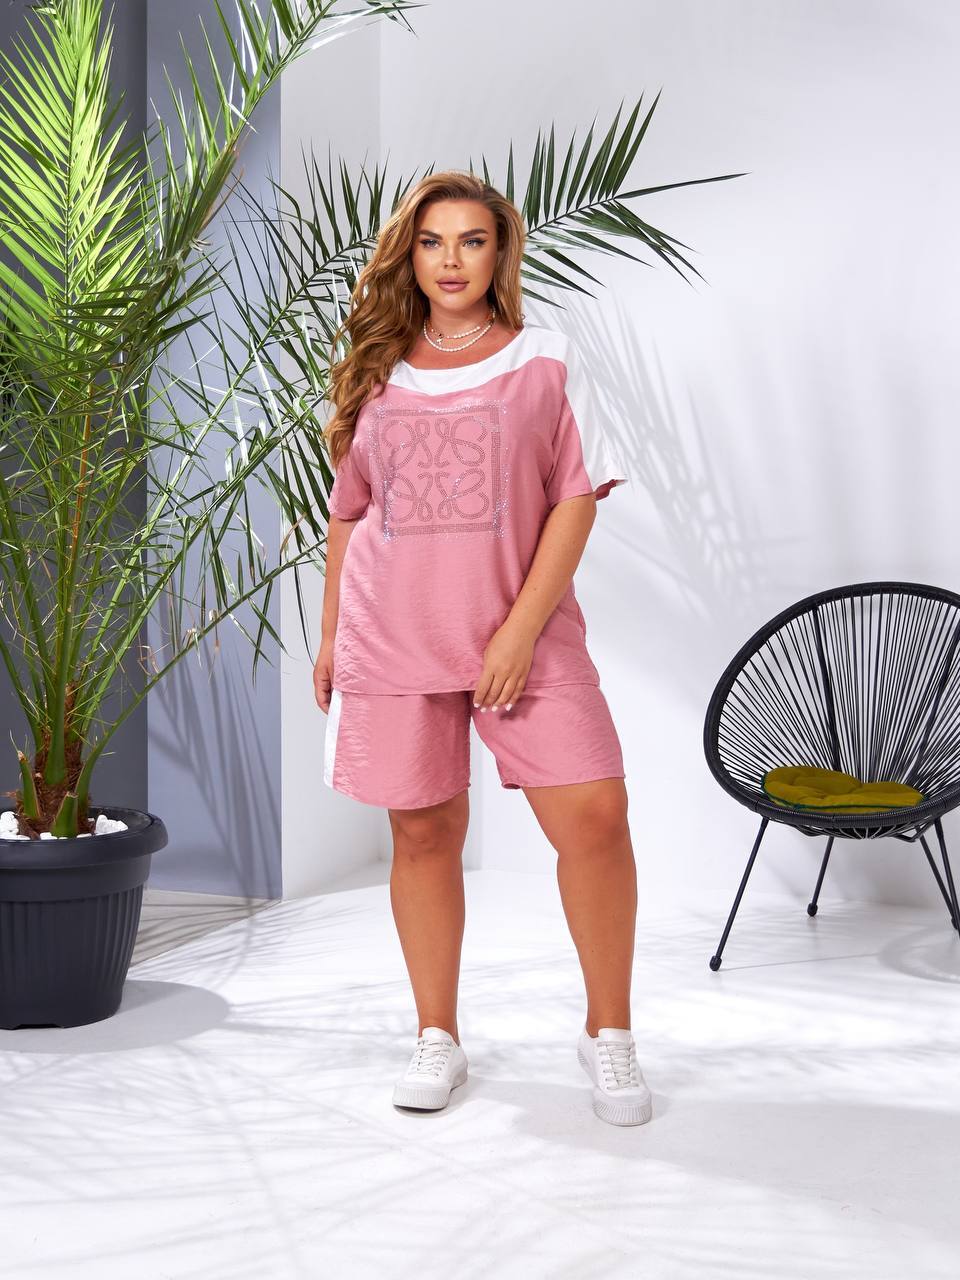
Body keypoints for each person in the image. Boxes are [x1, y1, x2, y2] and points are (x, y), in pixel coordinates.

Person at [314, 170, 652, 1127]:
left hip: (524, 633)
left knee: (596, 815)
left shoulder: (548, 357)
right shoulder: (375, 369)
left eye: (472, 240)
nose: (451, 260)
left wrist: (517, 631)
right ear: (409, 255)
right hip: (393, 634)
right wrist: (332, 635)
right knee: (423, 834)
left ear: (500, 251)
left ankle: (610, 1033)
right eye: (432, 241)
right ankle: (437, 1035)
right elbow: (349, 516)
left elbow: (576, 498)